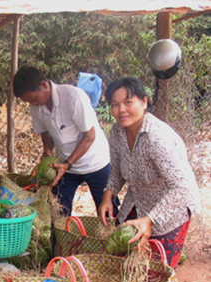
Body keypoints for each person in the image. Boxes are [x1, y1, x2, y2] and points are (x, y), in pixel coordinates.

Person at [98, 77, 201, 267]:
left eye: (128, 102)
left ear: (144, 102)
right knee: (122, 259)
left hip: (172, 207)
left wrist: (151, 220)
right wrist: (108, 194)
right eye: (115, 104)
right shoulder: (117, 133)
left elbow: (181, 186)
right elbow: (118, 170)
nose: (121, 110)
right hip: (139, 198)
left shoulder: (157, 138)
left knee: (156, 271)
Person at [13, 66, 117, 216]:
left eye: (34, 99)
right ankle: (61, 239)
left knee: (108, 212)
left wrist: (68, 163)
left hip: (95, 162)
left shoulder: (74, 98)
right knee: (58, 212)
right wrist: (47, 151)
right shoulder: (36, 106)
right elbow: (45, 131)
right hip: (65, 166)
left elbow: (90, 136)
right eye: (29, 102)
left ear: (43, 85)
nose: (34, 104)